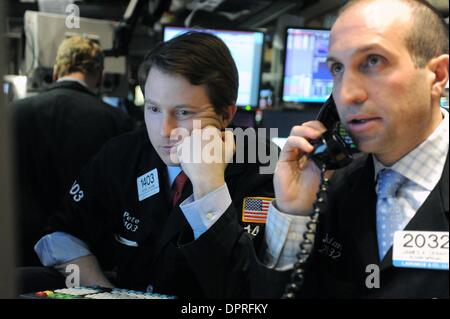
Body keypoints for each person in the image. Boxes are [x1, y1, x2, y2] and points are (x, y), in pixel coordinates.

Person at [179, 0, 449, 298]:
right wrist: (293, 213)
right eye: (337, 68)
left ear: (437, 75)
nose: (346, 93)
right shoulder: (326, 185)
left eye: (373, 61)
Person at [27, 32, 276, 298]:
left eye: (183, 113)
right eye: (153, 109)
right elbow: (60, 234)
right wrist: (106, 293)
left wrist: (209, 188)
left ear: (226, 115)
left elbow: (254, 291)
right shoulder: (123, 153)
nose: (163, 131)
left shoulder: (264, 161)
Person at [12, 36, 133, 266]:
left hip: (17, 254)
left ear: (57, 71)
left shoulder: (12, 113)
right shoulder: (116, 121)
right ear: (100, 77)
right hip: (86, 259)